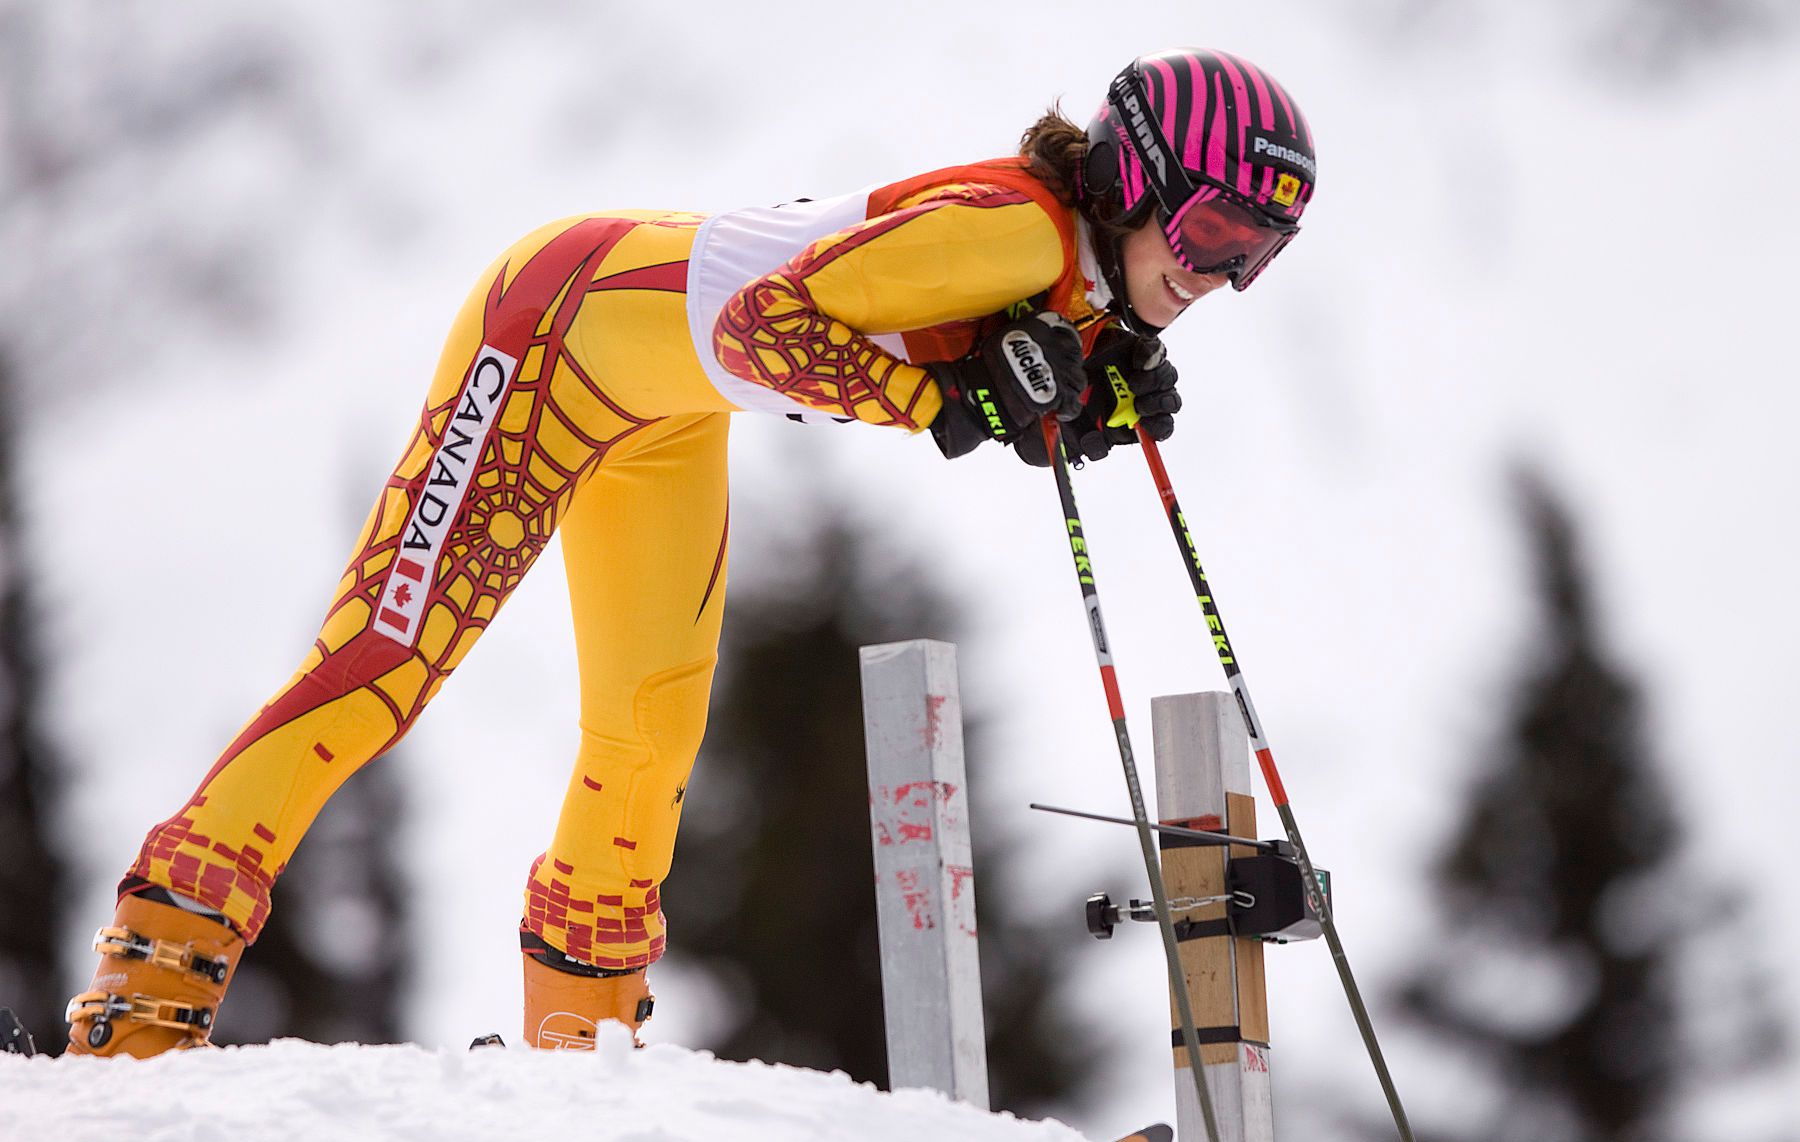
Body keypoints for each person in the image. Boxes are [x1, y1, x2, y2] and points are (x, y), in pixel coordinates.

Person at [64, 47, 1316, 1058]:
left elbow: (904, 340)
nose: (1220, 273)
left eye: (1255, 254)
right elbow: (762, 323)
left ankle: (583, 1053)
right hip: (554, 326)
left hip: (659, 398)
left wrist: (1071, 369)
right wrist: (957, 404)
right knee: (385, 663)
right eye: (1211, 231)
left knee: (647, 737)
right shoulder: (1021, 237)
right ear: (1132, 179)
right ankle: (144, 995)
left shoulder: (1066, 265)